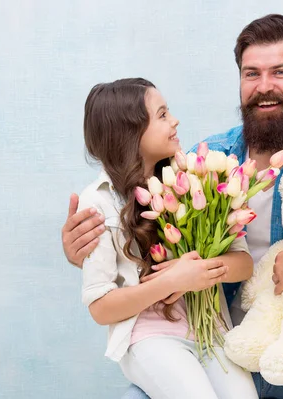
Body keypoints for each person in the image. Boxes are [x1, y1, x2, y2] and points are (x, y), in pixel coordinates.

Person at [63, 15, 283, 399]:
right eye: (251, 74)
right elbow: (133, 221)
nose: (264, 87)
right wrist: (88, 245)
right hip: (214, 345)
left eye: (279, 72)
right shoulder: (202, 165)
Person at [76, 77, 258, 399]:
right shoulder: (99, 202)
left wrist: (200, 272)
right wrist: (172, 280)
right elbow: (100, 307)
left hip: (211, 332)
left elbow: (243, 264)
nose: (174, 121)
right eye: (161, 115)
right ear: (130, 131)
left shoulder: (197, 180)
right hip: (149, 337)